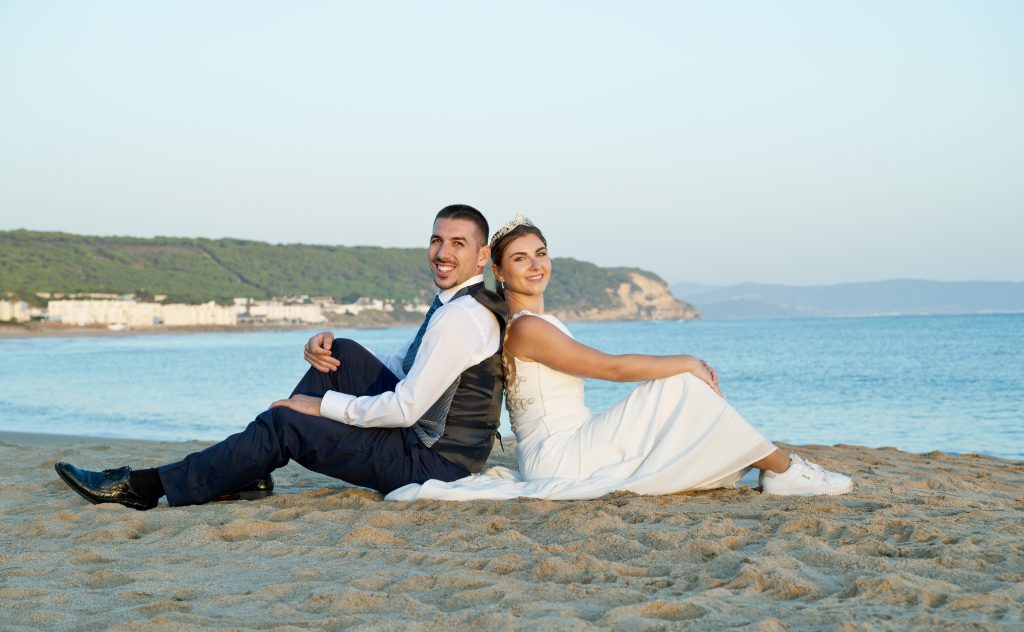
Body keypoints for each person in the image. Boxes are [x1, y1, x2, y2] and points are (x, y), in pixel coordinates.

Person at [55, 204, 507, 510]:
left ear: (482, 255)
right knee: (341, 353)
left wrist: (320, 406)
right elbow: (413, 363)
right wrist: (326, 348)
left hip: (433, 463)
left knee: (286, 423)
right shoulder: (460, 306)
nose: (442, 253)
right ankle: (252, 468)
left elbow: (407, 406)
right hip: (435, 448)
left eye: (457, 244)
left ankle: (146, 487)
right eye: (436, 240)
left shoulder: (462, 318)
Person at [386, 216, 853, 501]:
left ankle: (775, 469)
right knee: (680, 385)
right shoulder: (526, 328)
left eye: (541, 254)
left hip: (569, 445)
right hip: (559, 457)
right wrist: (687, 360)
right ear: (500, 271)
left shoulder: (535, 323)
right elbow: (610, 368)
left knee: (680, 392)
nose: (535, 265)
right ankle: (785, 472)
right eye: (521, 258)